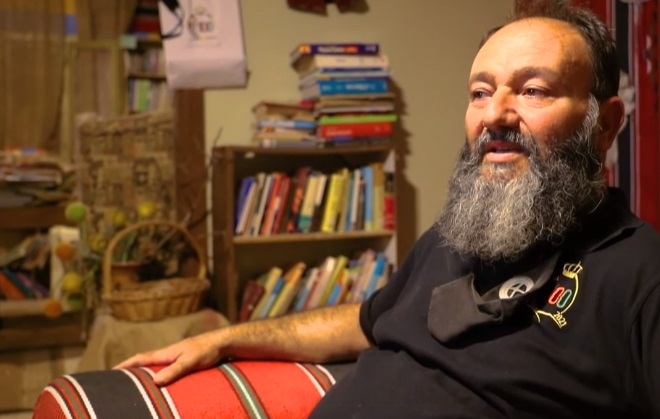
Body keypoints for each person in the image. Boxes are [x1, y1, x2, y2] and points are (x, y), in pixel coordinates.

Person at [116, 1, 660, 417]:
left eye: (533, 90)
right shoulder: (455, 235)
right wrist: (228, 338)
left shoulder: (640, 274)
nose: (495, 114)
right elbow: (363, 320)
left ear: (606, 123)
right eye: (480, 92)